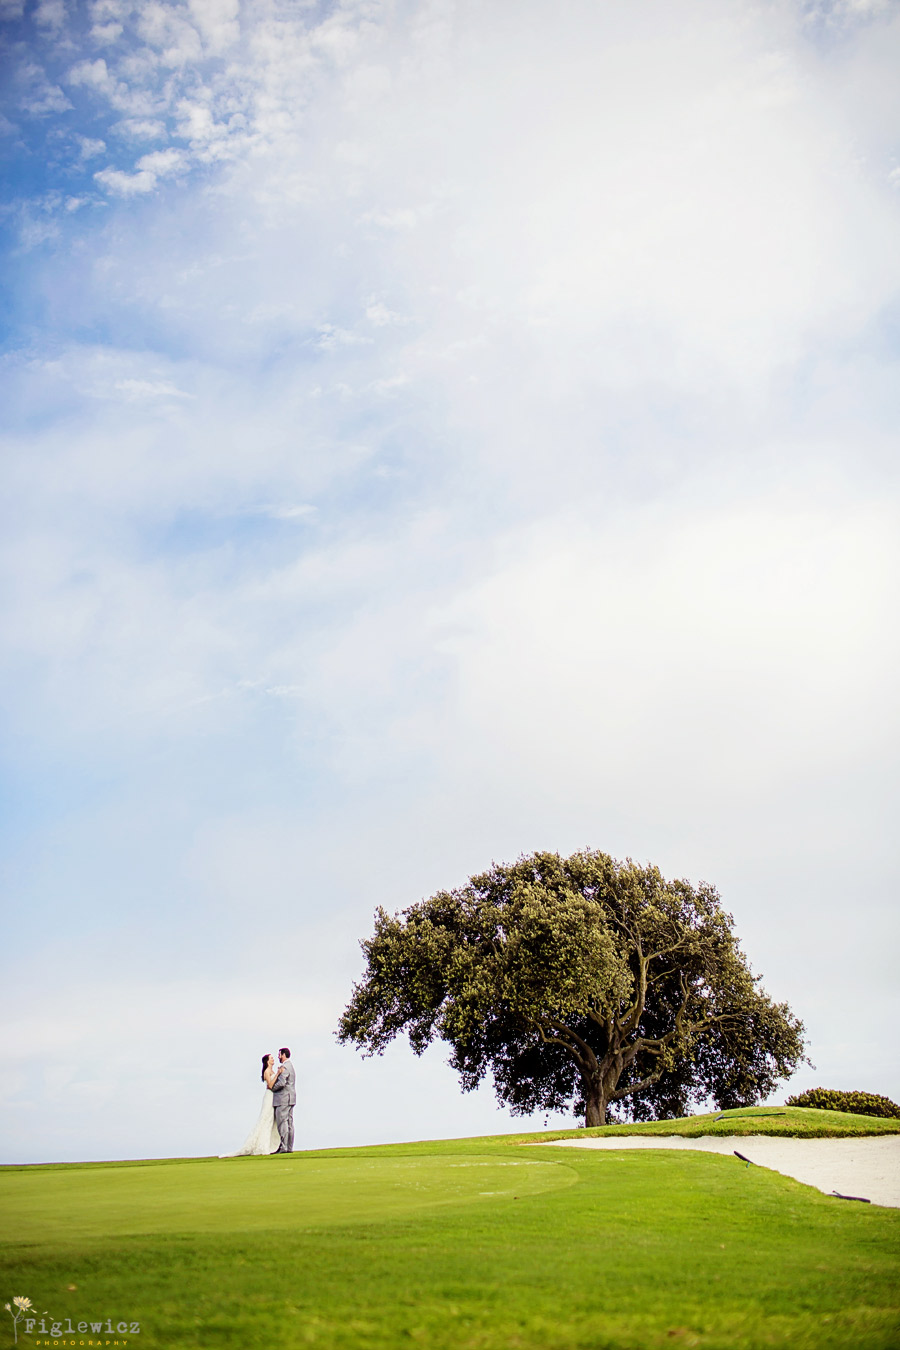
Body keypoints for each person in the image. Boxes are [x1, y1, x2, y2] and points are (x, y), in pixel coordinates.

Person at [220, 1054, 281, 1157]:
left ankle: (270, 1145)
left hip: (274, 1096)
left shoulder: (272, 1071)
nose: (273, 1059)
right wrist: (278, 1074)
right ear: (267, 1061)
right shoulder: (267, 1071)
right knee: (265, 1119)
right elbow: (270, 1085)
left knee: (271, 1120)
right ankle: (261, 1146)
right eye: (271, 1058)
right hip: (269, 1096)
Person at [271, 1046, 296, 1152]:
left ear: (284, 1055)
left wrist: (272, 1087)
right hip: (291, 1098)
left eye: (279, 1054)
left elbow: (281, 1083)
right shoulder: (291, 1066)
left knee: (283, 1122)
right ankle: (289, 1147)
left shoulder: (285, 1067)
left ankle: (284, 1146)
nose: (278, 1056)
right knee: (289, 1123)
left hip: (283, 1098)